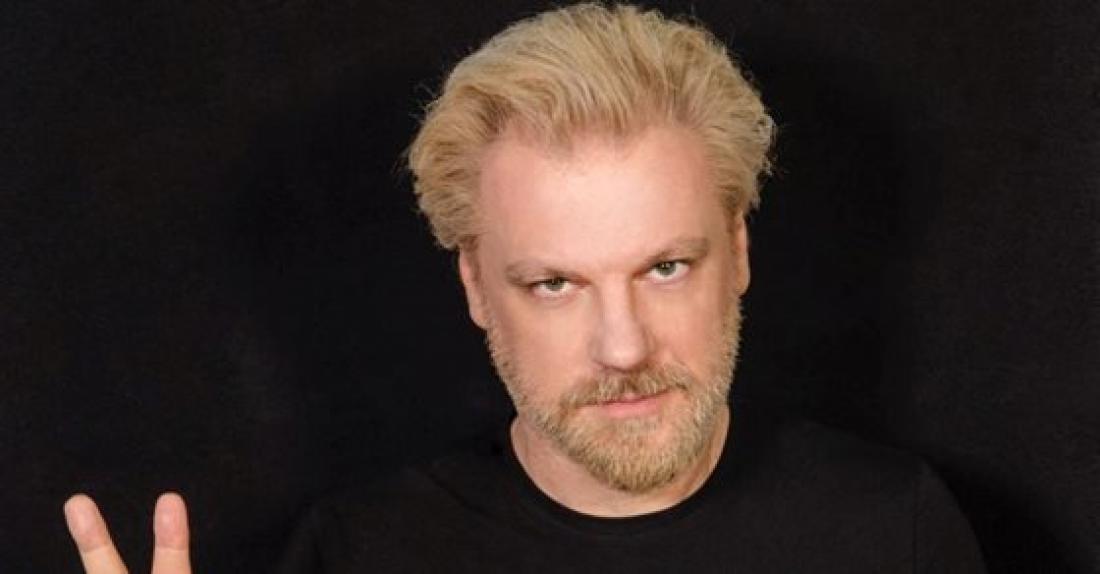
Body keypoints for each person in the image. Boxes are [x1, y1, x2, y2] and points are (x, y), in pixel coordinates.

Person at [63, 3, 987, 572]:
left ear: (738, 252)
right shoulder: (359, 554)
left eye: (665, 267)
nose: (623, 347)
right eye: (554, 284)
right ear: (475, 285)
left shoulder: (894, 529)